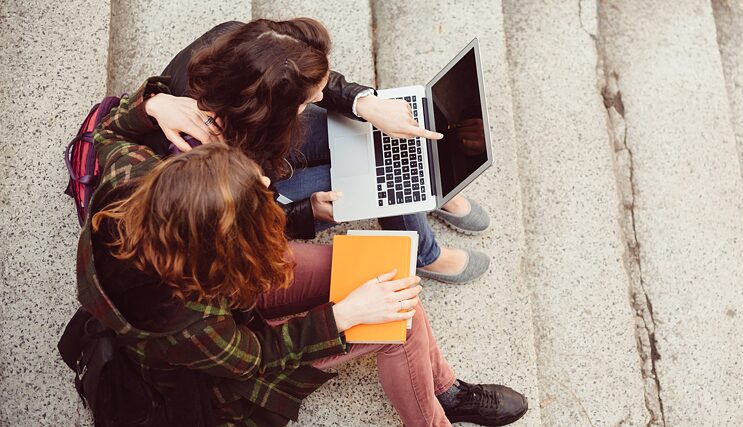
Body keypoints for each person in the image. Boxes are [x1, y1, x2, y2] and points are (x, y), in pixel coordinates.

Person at [78, 77, 528, 426]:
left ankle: (444, 389)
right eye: (256, 201)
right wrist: (340, 318)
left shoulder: (133, 175)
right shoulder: (183, 321)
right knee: (398, 320)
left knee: (390, 277)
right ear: (221, 243)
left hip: (222, 283)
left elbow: (111, 130)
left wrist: (154, 103)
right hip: (220, 368)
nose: (271, 186)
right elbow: (254, 356)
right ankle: (438, 412)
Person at [140, 18, 490, 284]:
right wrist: (308, 213)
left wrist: (362, 102)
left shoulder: (242, 46)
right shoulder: (206, 153)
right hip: (246, 192)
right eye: (308, 100)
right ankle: (424, 249)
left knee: (368, 127)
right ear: (273, 109)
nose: (319, 99)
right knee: (370, 174)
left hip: (260, 145)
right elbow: (245, 228)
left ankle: (426, 181)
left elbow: (304, 74)